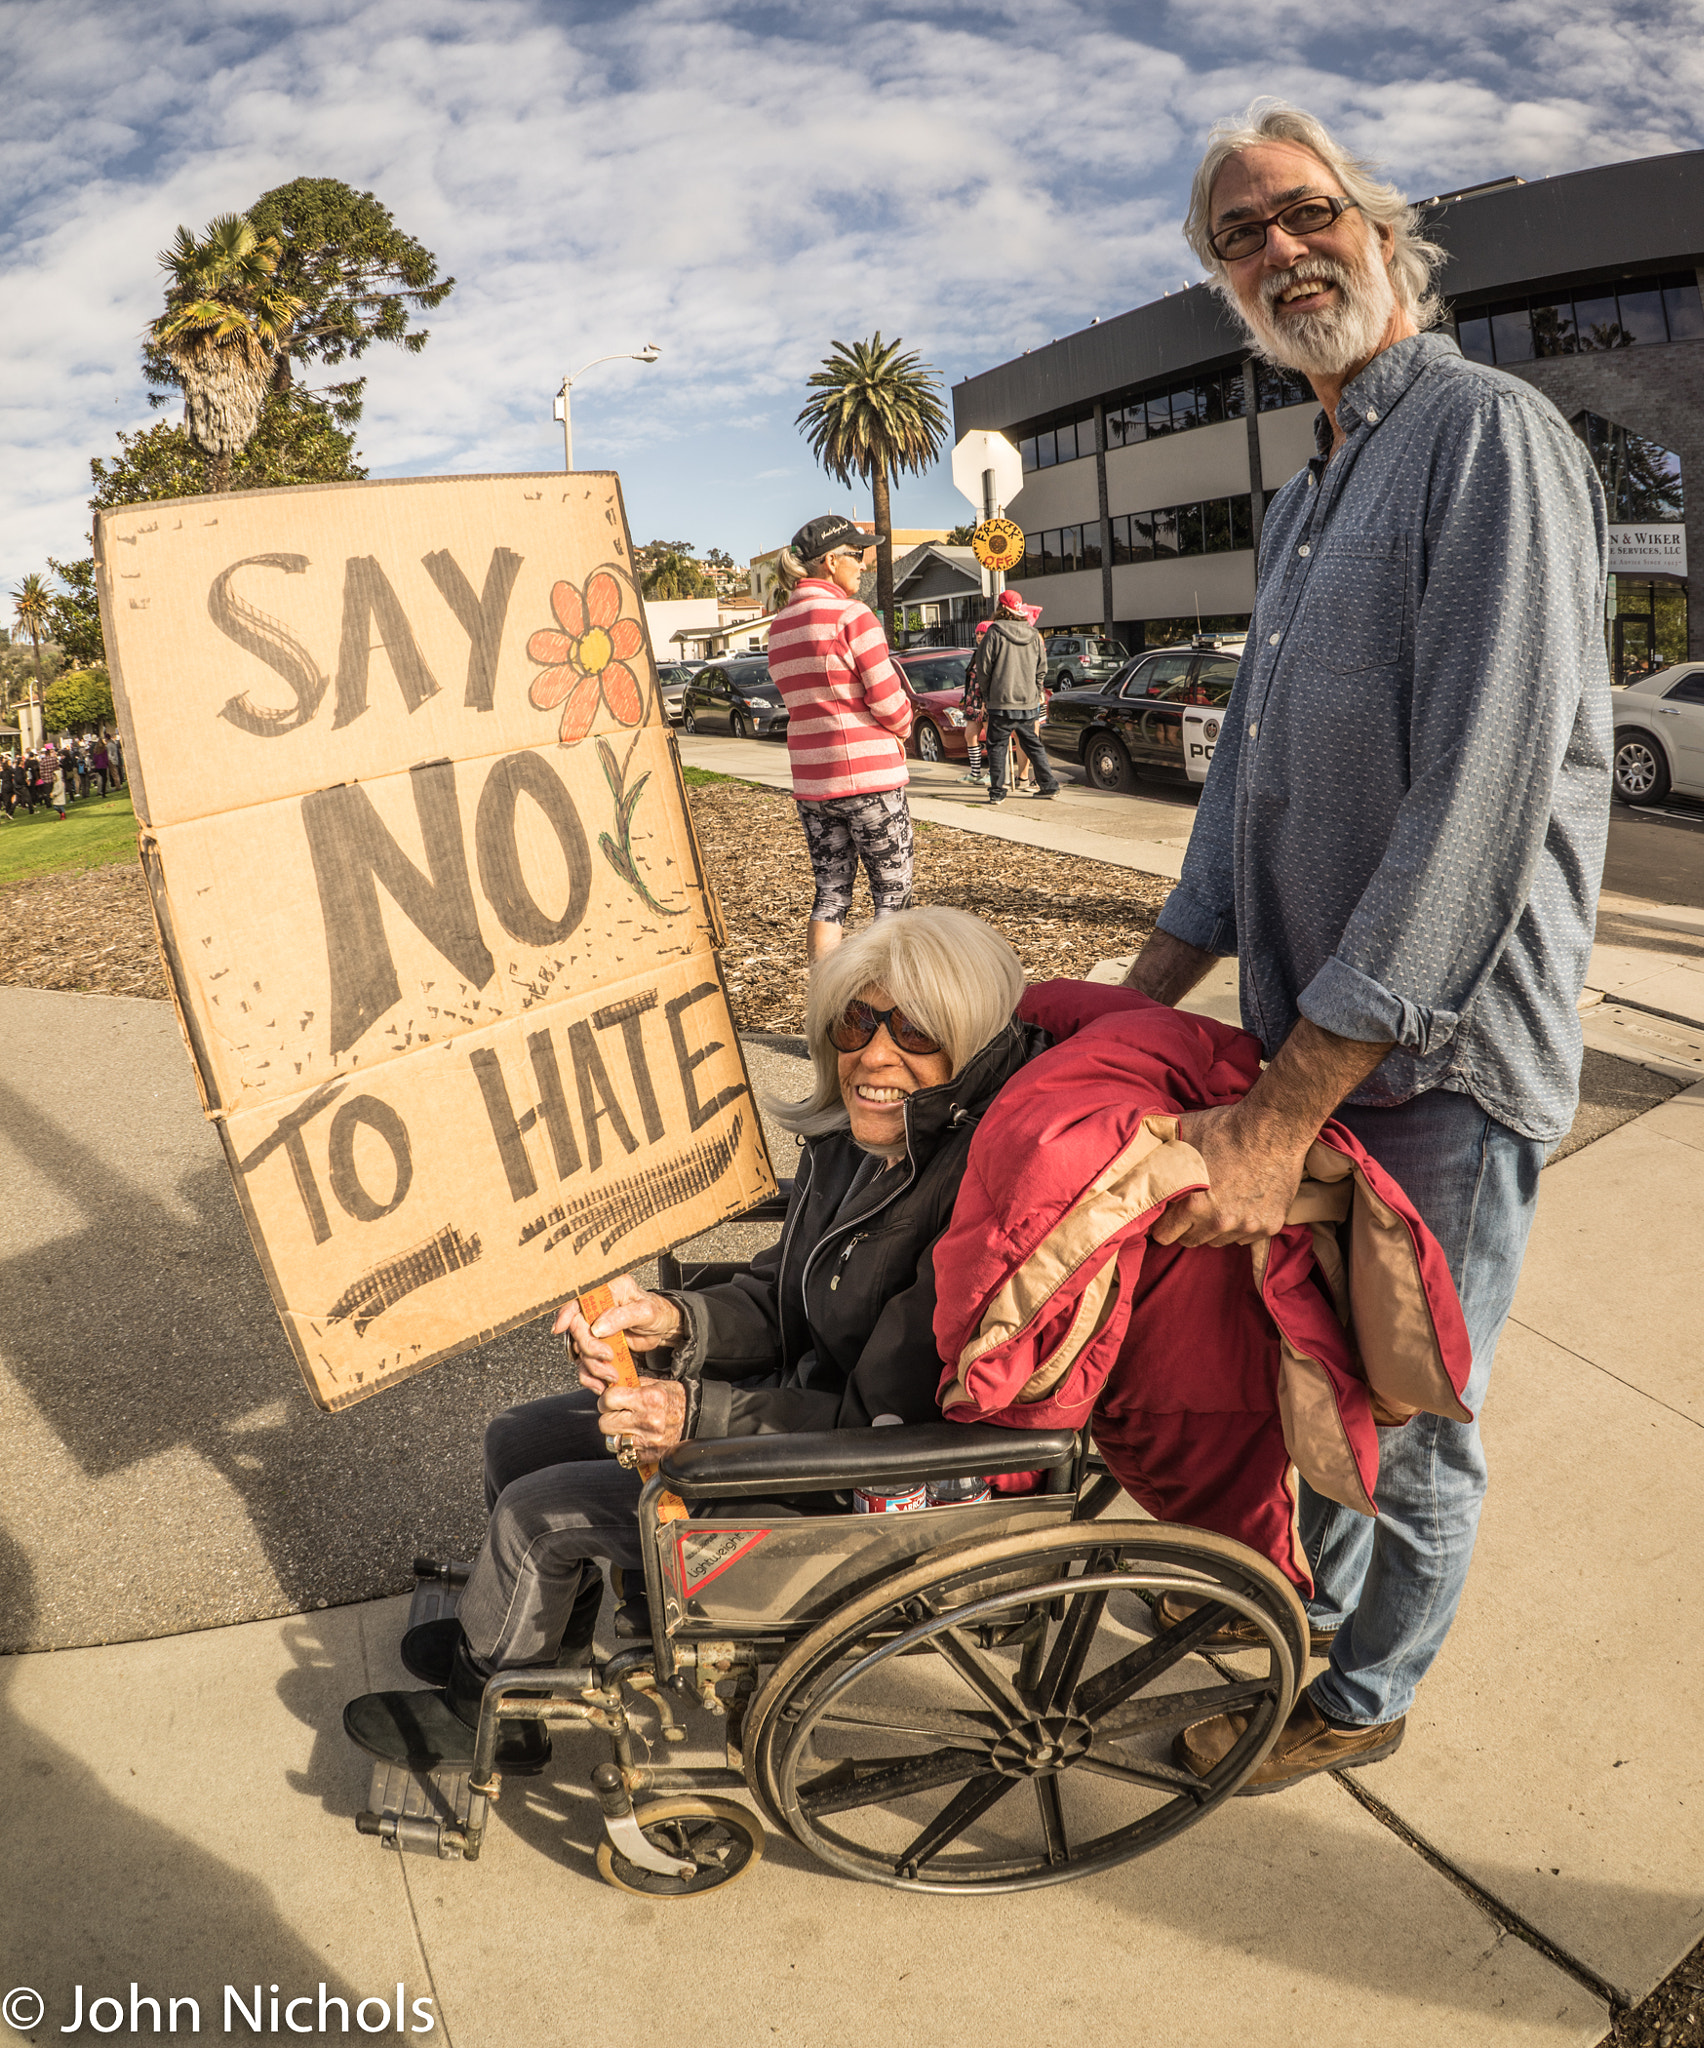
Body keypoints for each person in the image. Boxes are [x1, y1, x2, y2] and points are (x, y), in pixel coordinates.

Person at [1118, 102, 1610, 1791]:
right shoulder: (1303, 495)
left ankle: (1360, 1689)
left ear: (1380, 236)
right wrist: (1114, 1013)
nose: (1276, 250)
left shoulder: (1483, 434)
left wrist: (1279, 1112)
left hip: (1434, 1066)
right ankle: (1292, 1624)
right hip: (1308, 1053)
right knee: (1306, 1378)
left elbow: (1479, 789)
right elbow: (1242, 787)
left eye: (1302, 212)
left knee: (1402, 1413)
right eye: (1235, 237)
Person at [340, 907, 1040, 1771]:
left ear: (970, 1048)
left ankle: (497, 1704)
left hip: (850, 1482)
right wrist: (671, 1322)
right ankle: (531, 1645)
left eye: (916, 1031)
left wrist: (692, 1413)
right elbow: (783, 1296)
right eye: (857, 1021)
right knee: (514, 1439)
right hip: (787, 1414)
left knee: (538, 1513)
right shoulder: (858, 1145)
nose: (874, 1055)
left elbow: (877, 1425)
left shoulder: (965, 1198)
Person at [766, 514, 915, 966]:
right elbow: (890, 703)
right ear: (831, 561)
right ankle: (882, 1010)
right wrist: (905, 727)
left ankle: (824, 1010)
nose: (864, 565)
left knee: (830, 895)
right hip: (869, 779)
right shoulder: (853, 616)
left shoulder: (780, 627)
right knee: (893, 895)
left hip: (813, 782)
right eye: (857, 555)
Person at [964, 589, 1057, 806]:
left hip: (1001, 702)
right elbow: (1041, 668)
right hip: (1027, 702)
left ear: (1000, 608)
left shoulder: (993, 634)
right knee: (1032, 744)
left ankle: (997, 792)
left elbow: (983, 670)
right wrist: (1035, 691)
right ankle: (1049, 785)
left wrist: (987, 697)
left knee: (996, 746)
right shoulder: (1033, 634)